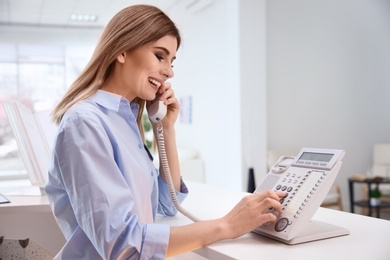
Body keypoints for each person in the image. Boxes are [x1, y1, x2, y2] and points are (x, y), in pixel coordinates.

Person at [45, 4, 285, 259]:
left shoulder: (124, 120)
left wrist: (166, 127)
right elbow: (121, 244)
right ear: (122, 50)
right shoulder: (85, 123)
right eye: (160, 56)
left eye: (171, 61)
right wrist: (227, 225)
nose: (169, 71)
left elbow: (167, 203)